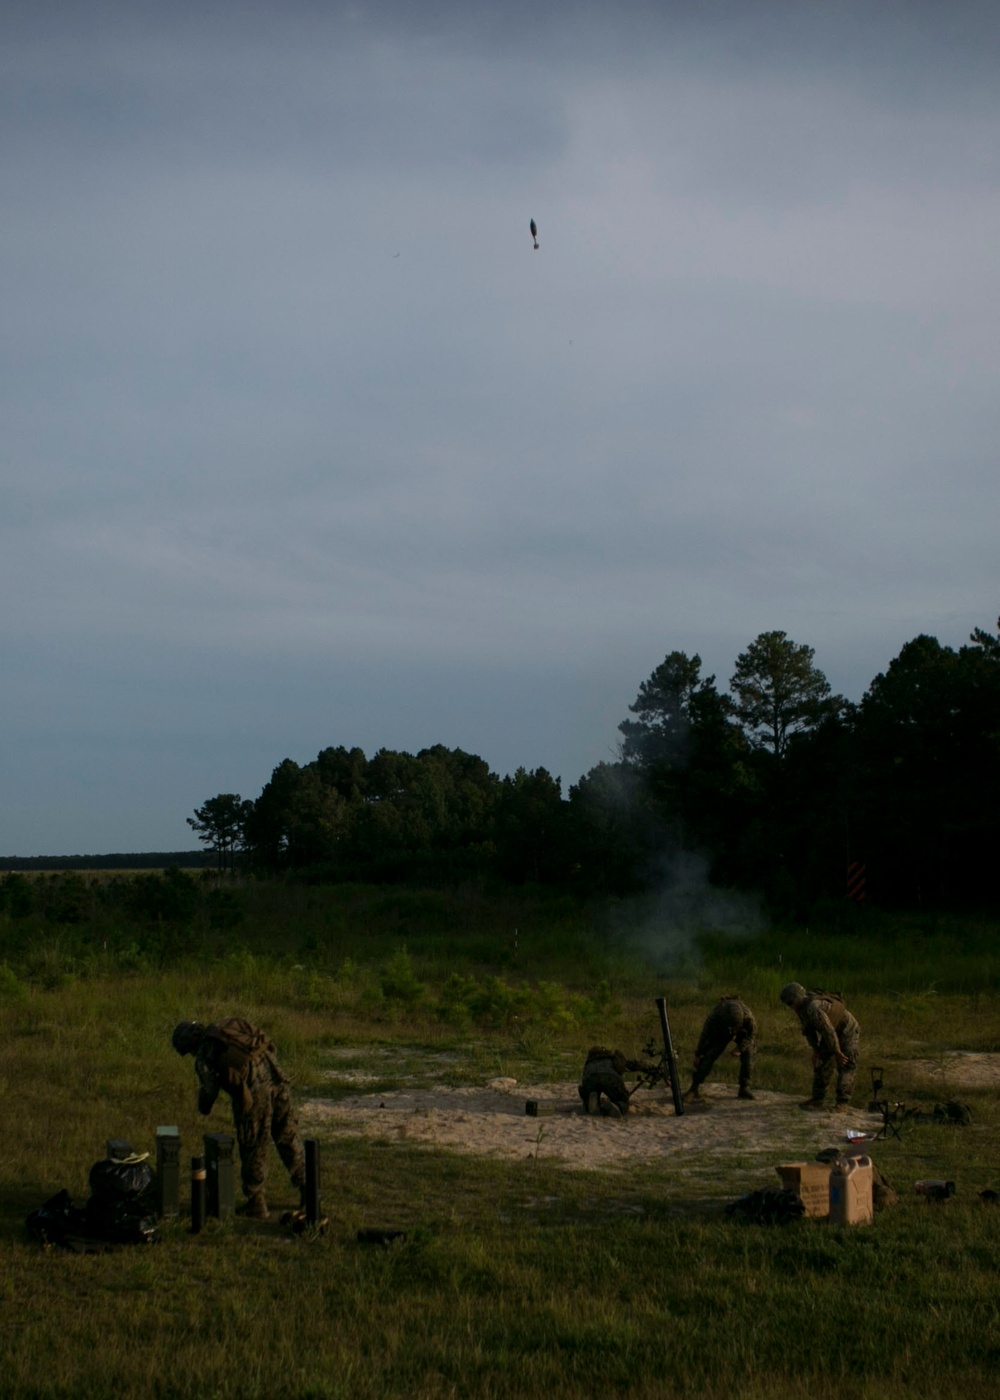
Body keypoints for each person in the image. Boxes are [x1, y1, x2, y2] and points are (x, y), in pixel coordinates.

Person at [172, 1017, 306, 1219]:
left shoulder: (205, 1050)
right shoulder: (225, 1031)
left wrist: (203, 1106)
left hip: (255, 1093)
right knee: (288, 1136)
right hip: (277, 1080)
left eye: (187, 1050)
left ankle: (256, 1202)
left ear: (190, 1041)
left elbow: (209, 1091)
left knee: (253, 1145)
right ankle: (309, 1190)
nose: (190, 1054)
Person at [779, 983, 860, 1112]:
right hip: (831, 1032)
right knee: (821, 1063)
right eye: (788, 1004)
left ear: (797, 998)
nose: (790, 1006)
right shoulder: (801, 1009)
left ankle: (842, 1102)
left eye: (790, 1002)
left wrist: (837, 1051)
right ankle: (817, 1099)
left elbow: (828, 1031)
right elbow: (809, 1031)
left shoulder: (813, 1008)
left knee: (846, 1064)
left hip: (847, 1030)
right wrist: (816, 1050)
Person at [684, 996, 757, 1102]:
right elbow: (705, 1035)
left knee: (749, 1055)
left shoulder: (747, 1017)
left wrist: (740, 1048)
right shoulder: (714, 1017)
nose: (732, 1032)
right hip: (721, 1032)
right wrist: (698, 1054)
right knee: (709, 1056)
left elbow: (752, 1033)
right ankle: (694, 1088)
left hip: (742, 1031)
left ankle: (744, 1088)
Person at [578, 1046, 635, 1117]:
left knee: (588, 1095)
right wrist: (649, 1068)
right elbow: (627, 1065)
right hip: (609, 1076)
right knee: (622, 1098)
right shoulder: (612, 1057)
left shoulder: (589, 1062)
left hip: (590, 1078)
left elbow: (584, 1078)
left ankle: (589, 1104)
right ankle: (618, 1106)